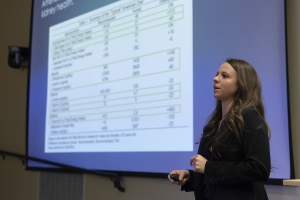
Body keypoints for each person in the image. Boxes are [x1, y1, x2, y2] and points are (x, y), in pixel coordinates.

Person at [168, 58, 271, 200]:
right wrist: (189, 176)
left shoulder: (249, 116)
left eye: (224, 75)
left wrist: (208, 168)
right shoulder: (213, 125)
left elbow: (259, 169)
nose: (215, 79)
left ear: (241, 84)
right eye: (217, 74)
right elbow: (217, 178)